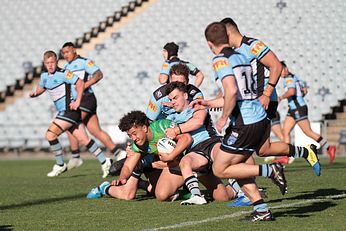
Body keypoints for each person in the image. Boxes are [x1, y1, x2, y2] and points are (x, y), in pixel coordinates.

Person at [190, 22, 290, 221]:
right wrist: (208, 103)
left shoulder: (220, 60)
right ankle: (262, 210)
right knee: (240, 164)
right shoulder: (243, 56)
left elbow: (232, 91)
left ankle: (270, 169)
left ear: (209, 43)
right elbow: (241, 93)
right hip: (258, 117)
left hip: (245, 122)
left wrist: (223, 118)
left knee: (220, 168)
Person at [220, 17, 321, 175]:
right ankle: (306, 152)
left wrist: (267, 93)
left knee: (238, 149)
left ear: (228, 33)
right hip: (255, 102)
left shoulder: (252, 45)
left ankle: (249, 192)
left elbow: (276, 65)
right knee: (263, 149)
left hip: (263, 101)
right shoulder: (237, 52)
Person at [30, 51, 111, 178]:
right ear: (44, 64)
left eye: (52, 62)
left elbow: (79, 83)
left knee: (50, 134)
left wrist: (78, 101)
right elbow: (42, 87)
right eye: (47, 63)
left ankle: (60, 164)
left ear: (56, 62)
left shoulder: (64, 73)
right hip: (65, 112)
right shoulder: (44, 76)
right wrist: (36, 93)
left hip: (70, 111)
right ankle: (105, 161)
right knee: (85, 140)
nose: (50, 65)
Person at [86, 111, 192, 201]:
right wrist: (122, 179)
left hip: (177, 163)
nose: (133, 138)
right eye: (130, 135)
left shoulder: (162, 127)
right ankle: (105, 188)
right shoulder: (137, 145)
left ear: (145, 128)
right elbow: (128, 166)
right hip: (161, 166)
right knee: (133, 194)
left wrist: (169, 157)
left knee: (158, 192)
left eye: (134, 133)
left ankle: (143, 184)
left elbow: (186, 138)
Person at [161, 82, 234, 205]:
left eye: (175, 98)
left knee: (221, 159)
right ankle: (196, 195)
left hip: (211, 142)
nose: (173, 102)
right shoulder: (170, 118)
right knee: (222, 196)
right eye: (170, 99)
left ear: (185, 95)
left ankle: (245, 188)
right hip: (195, 151)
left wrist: (176, 130)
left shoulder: (197, 105)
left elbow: (198, 122)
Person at [61, 42, 125, 171]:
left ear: (74, 50)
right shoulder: (66, 66)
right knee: (95, 131)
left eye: (67, 52)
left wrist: (85, 85)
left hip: (86, 99)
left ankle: (76, 157)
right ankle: (119, 153)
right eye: (63, 53)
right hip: (78, 101)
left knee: (70, 124)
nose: (65, 55)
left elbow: (98, 74)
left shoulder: (84, 62)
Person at [279, 61, 336, 164]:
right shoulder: (295, 77)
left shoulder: (288, 79)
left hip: (297, 108)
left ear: (285, 69)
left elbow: (291, 92)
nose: (280, 73)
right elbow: (305, 91)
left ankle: (329, 147)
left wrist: (281, 97)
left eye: (280, 71)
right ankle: (286, 157)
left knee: (308, 132)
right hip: (294, 108)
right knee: (285, 131)